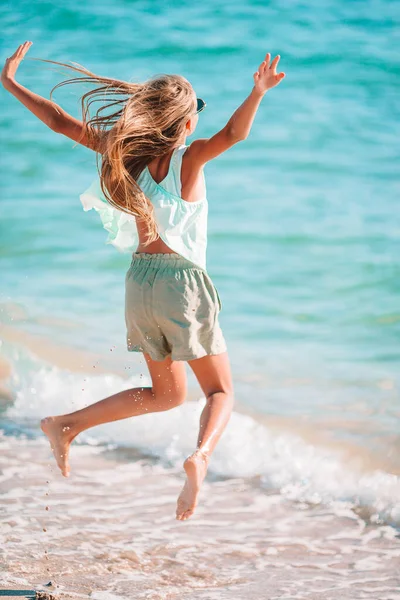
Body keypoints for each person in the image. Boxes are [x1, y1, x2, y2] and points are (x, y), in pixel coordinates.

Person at [1, 41, 285, 520]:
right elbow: (234, 134)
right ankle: (201, 457)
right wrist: (257, 92)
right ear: (187, 122)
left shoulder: (123, 153)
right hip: (181, 281)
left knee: (167, 394)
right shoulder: (188, 160)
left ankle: (66, 424)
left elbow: (58, 121)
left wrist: (10, 83)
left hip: (139, 283)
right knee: (219, 393)